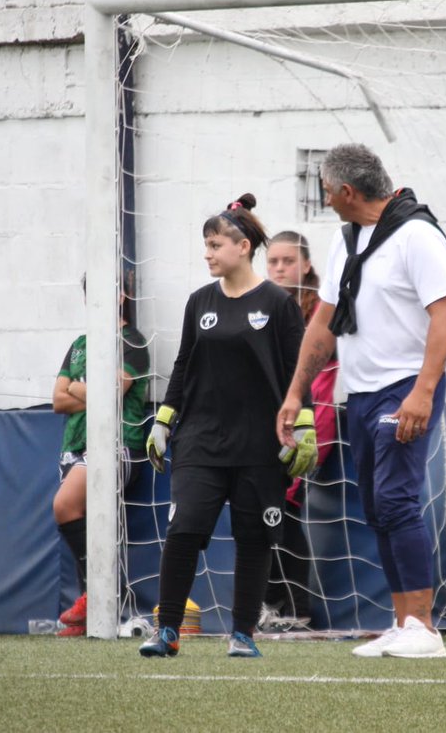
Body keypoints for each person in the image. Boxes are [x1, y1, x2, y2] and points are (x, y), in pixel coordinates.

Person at [276, 143, 446, 659]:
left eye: (326, 191)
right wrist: (296, 392)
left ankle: (426, 629)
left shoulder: (417, 235)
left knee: (396, 501)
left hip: (405, 388)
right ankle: (404, 622)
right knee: (376, 507)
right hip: (360, 394)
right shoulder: (345, 240)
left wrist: (423, 392)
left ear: (348, 191)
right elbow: (323, 322)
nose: (324, 200)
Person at [139, 194, 314, 659]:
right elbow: (183, 365)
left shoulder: (278, 304)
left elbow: (299, 371)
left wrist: (305, 426)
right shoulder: (200, 302)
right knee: (183, 531)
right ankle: (168, 631)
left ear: (242, 246)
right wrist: (163, 419)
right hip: (200, 439)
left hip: (260, 444)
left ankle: (242, 634)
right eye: (205, 245)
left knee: (253, 539)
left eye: (215, 244)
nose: (207, 253)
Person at [52, 275, 150, 637]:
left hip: (119, 445)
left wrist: (77, 387)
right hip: (75, 445)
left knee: (63, 506)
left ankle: (101, 595)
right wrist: (86, 390)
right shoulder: (79, 344)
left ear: (122, 294)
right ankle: (91, 612)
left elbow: (112, 393)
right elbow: (57, 400)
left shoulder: (132, 341)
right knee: (82, 520)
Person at [260, 231, 340, 632]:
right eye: (272, 261)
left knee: (284, 507)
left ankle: (295, 609)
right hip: (269, 417)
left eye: (287, 261)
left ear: (306, 264)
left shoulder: (318, 311)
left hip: (312, 418)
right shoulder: (262, 308)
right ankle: (272, 605)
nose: (279, 268)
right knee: (263, 509)